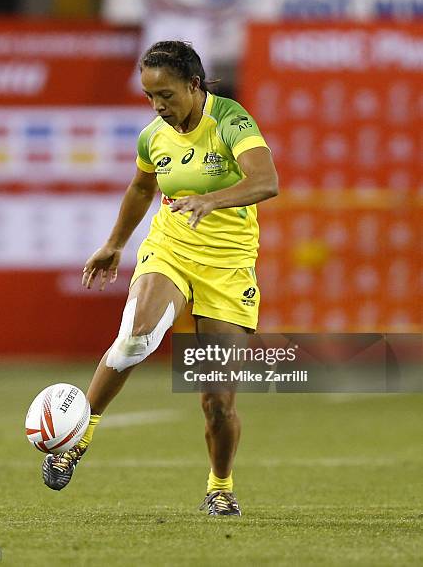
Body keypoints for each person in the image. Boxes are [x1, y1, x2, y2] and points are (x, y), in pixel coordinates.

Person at [42, 40, 278, 516]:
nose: (158, 106)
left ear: (194, 85)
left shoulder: (231, 121)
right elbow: (142, 186)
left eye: (166, 95)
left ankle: (220, 487)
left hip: (228, 266)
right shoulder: (153, 136)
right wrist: (114, 244)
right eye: (150, 96)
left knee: (216, 400)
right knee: (135, 338)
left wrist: (212, 200)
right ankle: (77, 439)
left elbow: (265, 181)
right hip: (171, 248)